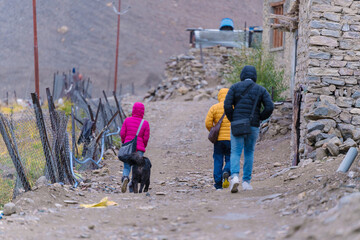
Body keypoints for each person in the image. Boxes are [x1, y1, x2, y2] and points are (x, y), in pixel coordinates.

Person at [224, 65, 274, 193]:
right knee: (249, 152)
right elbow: (269, 107)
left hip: (237, 124)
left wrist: (233, 119)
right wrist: (260, 118)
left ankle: (234, 176)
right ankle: (246, 181)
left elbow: (227, 105)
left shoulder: (234, 87)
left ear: (242, 76)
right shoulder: (261, 90)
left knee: (235, 152)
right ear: (254, 77)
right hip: (253, 125)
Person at [120, 102, 150, 193]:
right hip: (139, 149)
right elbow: (146, 137)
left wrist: (124, 142)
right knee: (136, 168)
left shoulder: (127, 120)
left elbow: (122, 133)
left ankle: (125, 177)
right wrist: (143, 146)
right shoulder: (145, 123)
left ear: (133, 110)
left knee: (127, 166)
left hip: (128, 147)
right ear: (142, 112)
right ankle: (132, 186)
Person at [205, 88, 231, 190]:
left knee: (218, 160)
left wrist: (213, 130)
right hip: (231, 139)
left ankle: (218, 184)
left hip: (219, 140)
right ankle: (227, 171)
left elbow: (207, 123)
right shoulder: (233, 107)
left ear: (219, 96)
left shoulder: (214, 108)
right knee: (231, 158)